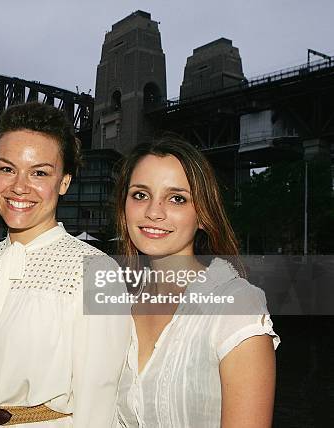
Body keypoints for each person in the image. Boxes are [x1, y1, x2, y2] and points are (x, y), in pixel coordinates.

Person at [0, 102, 131, 427]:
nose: (19, 186)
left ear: (65, 182)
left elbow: (99, 403)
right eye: (7, 168)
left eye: (39, 172)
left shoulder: (95, 273)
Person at [113, 135, 279, 427]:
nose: (153, 212)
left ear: (202, 214)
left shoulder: (236, 306)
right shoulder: (117, 304)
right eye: (140, 194)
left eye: (177, 198)